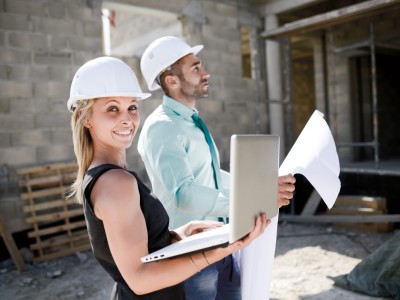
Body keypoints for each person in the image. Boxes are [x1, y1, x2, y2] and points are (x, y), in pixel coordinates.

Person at [67, 56, 270, 300]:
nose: (127, 118)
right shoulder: (115, 183)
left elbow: (141, 250)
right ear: (86, 117)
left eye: (131, 107)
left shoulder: (108, 177)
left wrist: (178, 234)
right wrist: (224, 248)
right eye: (112, 108)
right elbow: (140, 278)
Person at [138, 36, 296, 299]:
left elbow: (210, 176)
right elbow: (184, 194)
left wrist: (261, 187)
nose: (206, 72)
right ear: (172, 80)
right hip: (192, 256)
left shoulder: (191, 122)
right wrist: (250, 200)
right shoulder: (162, 127)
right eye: (196, 68)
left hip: (223, 244)